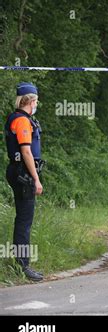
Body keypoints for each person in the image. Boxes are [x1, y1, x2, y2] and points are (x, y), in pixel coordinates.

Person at [4, 82, 44, 281]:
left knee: (23, 219)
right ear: (30, 100)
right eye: (36, 100)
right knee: (24, 221)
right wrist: (36, 179)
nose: (37, 104)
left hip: (19, 171)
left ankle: (21, 263)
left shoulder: (21, 119)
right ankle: (22, 265)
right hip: (23, 174)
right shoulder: (21, 121)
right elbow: (26, 151)